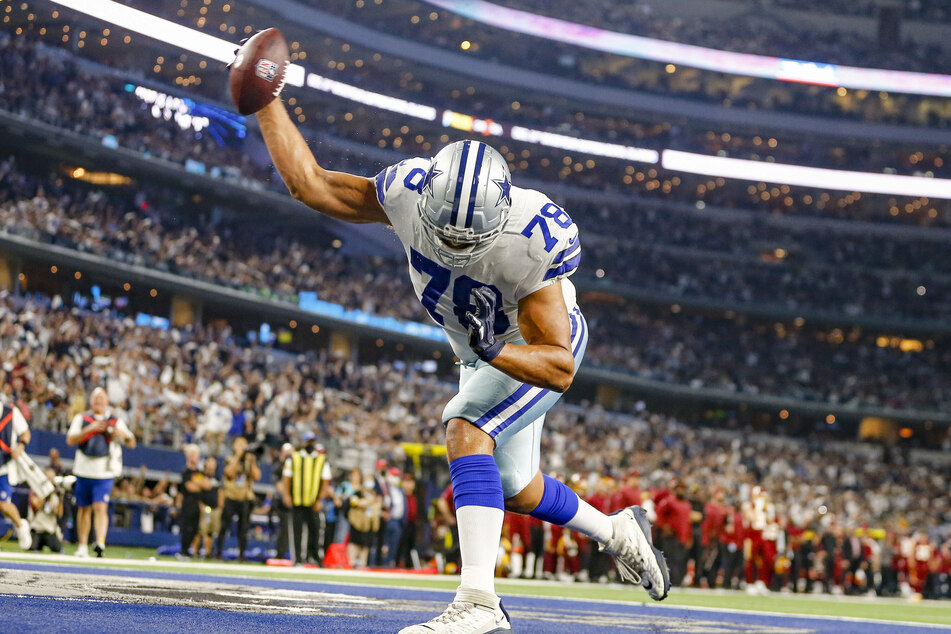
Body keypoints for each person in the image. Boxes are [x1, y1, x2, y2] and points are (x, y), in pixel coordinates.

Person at [248, 81, 670, 632]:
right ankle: (618, 533)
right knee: (517, 490)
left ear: (498, 222)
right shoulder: (405, 190)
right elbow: (311, 184)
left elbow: (559, 367)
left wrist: (495, 348)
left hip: (528, 349)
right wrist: (263, 97)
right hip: (479, 351)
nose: (451, 246)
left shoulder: (531, 236)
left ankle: (478, 604)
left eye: (469, 241)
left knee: (466, 425)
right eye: (442, 232)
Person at [65, 387, 135, 557]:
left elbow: (132, 442)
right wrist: (91, 428)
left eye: (102, 398)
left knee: (100, 507)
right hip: (83, 469)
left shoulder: (114, 421)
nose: (99, 402)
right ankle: (82, 546)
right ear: (91, 401)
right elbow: (70, 440)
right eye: (96, 398)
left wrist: (122, 435)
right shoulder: (82, 419)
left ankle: (100, 543)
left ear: (107, 401)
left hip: (104, 471)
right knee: (83, 508)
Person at [280, 432, 331, 565]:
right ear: (303, 443)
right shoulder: (294, 458)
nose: (310, 444)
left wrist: (320, 499)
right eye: (308, 441)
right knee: (297, 531)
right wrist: (286, 495)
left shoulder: (321, 459)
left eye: (312, 442)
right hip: (297, 500)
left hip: (313, 501)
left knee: (315, 530)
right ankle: (297, 558)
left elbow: (325, 482)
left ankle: (314, 556)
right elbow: (286, 478)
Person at [215, 436, 260, 561]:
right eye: (239, 444)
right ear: (234, 446)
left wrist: (251, 461)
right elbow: (229, 472)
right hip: (231, 497)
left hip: (244, 498)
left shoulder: (248, 461)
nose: (242, 447)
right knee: (224, 527)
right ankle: (218, 553)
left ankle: (241, 555)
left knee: (243, 529)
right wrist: (239, 456)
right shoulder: (230, 458)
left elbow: (257, 476)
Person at [0, 401, 34, 549]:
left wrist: (20, 447)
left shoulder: (11, 411)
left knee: (3, 505)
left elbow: (25, 432)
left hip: (3, 467)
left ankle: (20, 525)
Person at [179, 444, 211, 557]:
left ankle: (188, 550)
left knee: (195, 528)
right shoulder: (186, 472)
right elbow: (190, 487)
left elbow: (207, 485)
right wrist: (200, 483)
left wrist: (198, 483)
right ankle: (184, 550)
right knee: (186, 527)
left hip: (198, 504)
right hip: (188, 503)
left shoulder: (199, 472)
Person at [28, 468, 64, 552]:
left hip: (49, 530)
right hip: (37, 528)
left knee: (57, 548)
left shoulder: (55, 494)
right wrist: (47, 493)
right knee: (32, 547)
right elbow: (37, 505)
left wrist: (60, 499)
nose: (50, 480)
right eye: (48, 478)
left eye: (52, 478)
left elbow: (59, 513)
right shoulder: (36, 490)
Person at [196, 456, 221, 558]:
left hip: (215, 508)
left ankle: (208, 553)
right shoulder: (200, 475)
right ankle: (195, 551)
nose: (212, 464)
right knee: (202, 531)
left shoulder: (218, 477)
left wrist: (220, 506)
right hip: (204, 506)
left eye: (213, 462)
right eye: (210, 462)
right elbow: (197, 489)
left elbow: (220, 491)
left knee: (211, 532)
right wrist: (200, 504)